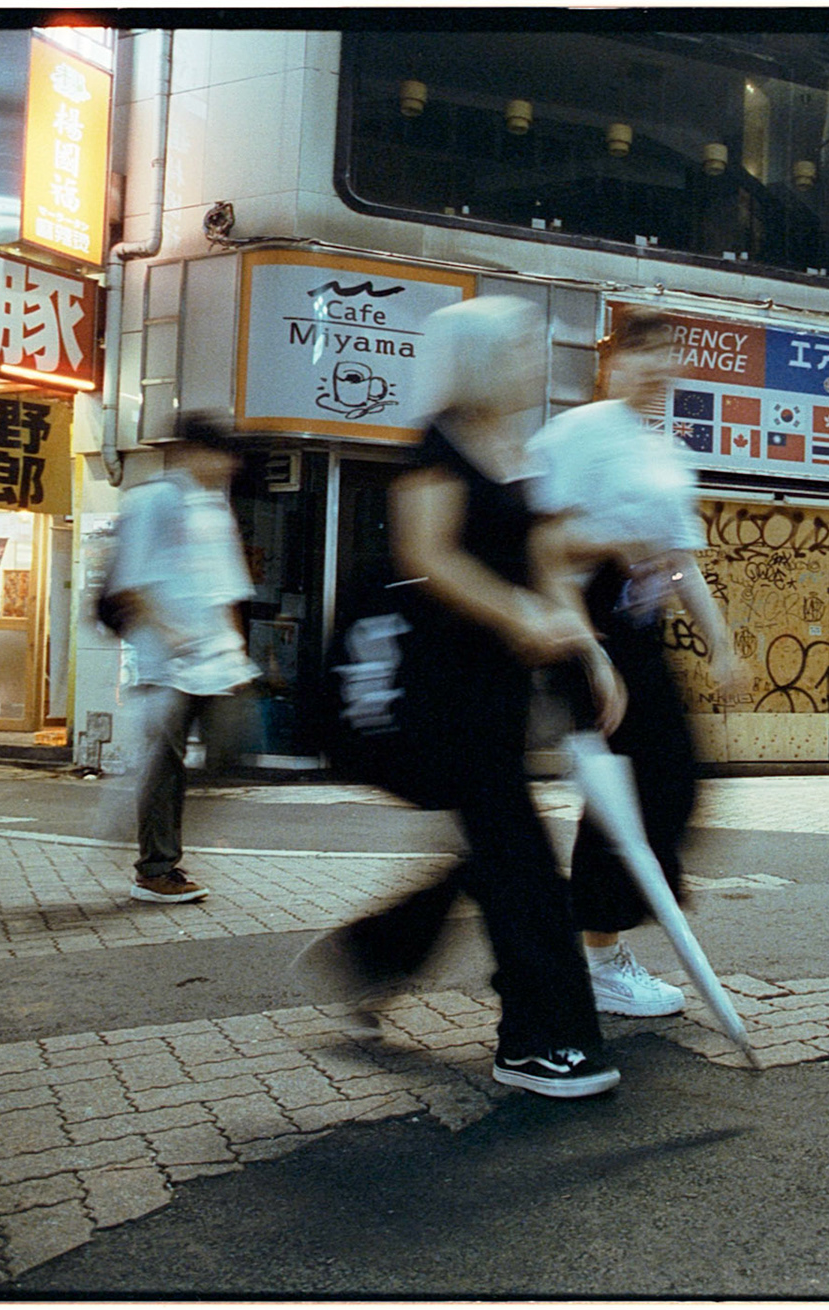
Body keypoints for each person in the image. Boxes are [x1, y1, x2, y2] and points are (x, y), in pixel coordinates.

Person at [298, 297, 626, 1099]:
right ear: (477, 359)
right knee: (521, 865)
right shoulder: (436, 448)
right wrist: (517, 614)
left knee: (498, 852)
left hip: (500, 693)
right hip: (443, 693)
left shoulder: (513, 449)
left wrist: (587, 649)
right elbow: (429, 554)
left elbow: (546, 558)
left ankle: (372, 957)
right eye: (519, 351)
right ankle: (538, 1039)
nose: (535, 365)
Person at [528, 305, 741, 1019]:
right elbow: (544, 546)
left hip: (640, 631)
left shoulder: (667, 452)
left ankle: (600, 935)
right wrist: (590, 645)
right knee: (624, 793)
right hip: (585, 622)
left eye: (669, 354)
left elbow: (680, 563)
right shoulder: (578, 433)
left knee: (672, 782)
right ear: (611, 362)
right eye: (642, 352)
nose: (658, 367)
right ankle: (599, 954)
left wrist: (723, 645)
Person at [104, 413, 259, 905]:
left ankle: (141, 828)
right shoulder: (152, 500)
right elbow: (132, 581)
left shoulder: (214, 507)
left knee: (228, 750)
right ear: (194, 452)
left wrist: (235, 651)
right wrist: (171, 636)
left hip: (215, 662)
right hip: (166, 661)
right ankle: (154, 868)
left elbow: (228, 589)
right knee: (165, 765)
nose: (230, 466)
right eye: (222, 455)